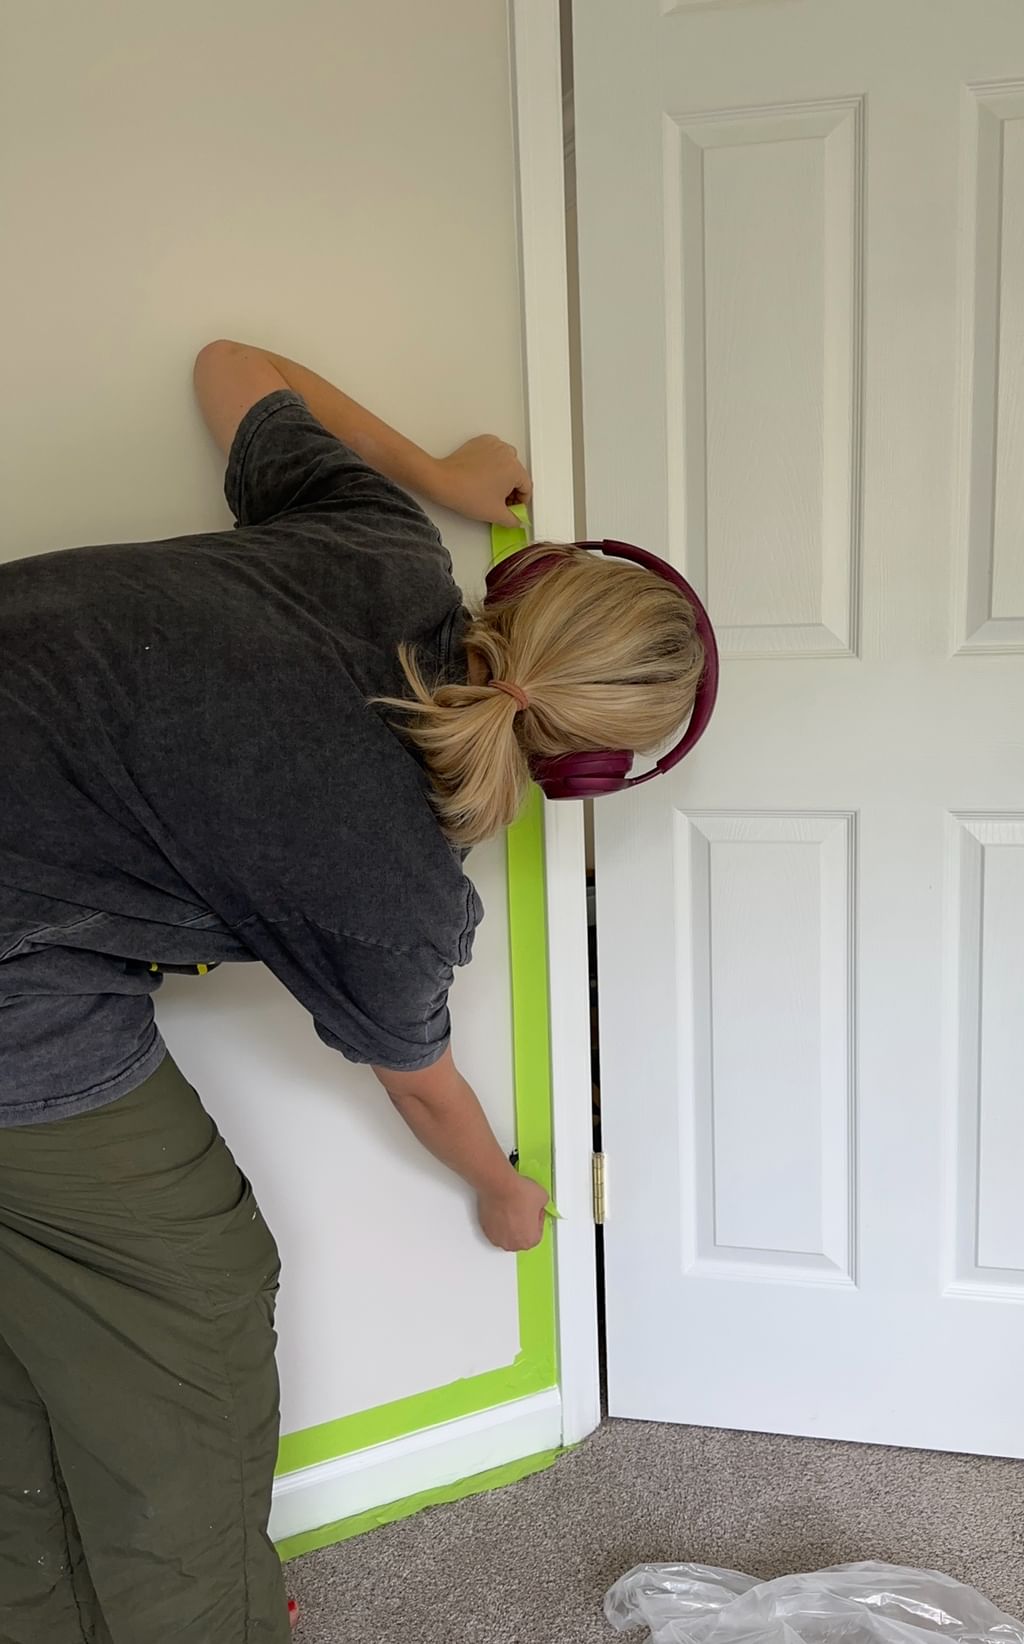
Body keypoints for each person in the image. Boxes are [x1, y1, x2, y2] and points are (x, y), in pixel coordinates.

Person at [0, 340, 712, 1643]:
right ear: (591, 767)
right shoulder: (395, 882)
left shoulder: (377, 541)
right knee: (184, 1307)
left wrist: (442, 475)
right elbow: (423, 1092)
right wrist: (503, 1188)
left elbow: (231, 366)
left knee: (43, 1294)